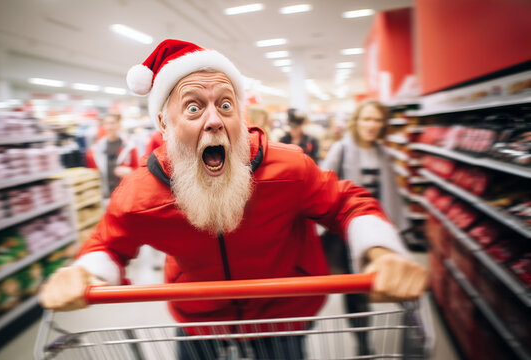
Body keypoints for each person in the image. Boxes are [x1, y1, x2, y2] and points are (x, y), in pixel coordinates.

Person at [40, 39, 426, 359]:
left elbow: (344, 202)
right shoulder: (140, 195)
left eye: (225, 104)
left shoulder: (288, 168)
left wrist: (382, 252)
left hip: (281, 318)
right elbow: (110, 241)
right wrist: (83, 274)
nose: (214, 120)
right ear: (163, 122)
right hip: (199, 319)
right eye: (193, 107)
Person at [319, 99, 409, 355]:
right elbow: (323, 187)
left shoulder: (384, 154)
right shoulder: (341, 150)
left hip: (377, 230)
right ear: (356, 122)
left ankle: (366, 337)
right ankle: (362, 342)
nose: (371, 125)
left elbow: (390, 194)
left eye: (377, 120)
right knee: (355, 290)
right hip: (346, 232)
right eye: (367, 119)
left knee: (374, 283)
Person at [85, 113, 139, 198]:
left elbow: (138, 170)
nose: (110, 127)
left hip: (125, 195)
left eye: (112, 123)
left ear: (118, 124)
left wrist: (130, 171)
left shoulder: (129, 146)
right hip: (105, 195)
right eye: (107, 123)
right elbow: (92, 173)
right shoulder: (96, 149)